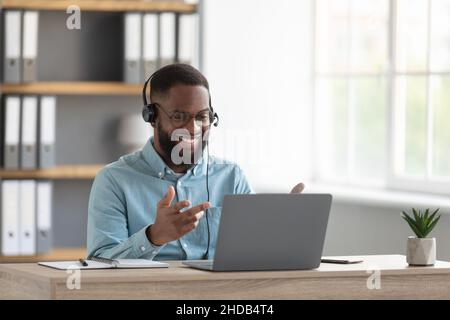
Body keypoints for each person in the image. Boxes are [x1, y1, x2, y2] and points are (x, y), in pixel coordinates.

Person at [87, 64, 304, 260]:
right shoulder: (114, 180)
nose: (193, 129)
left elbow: (252, 251)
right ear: (152, 117)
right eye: (179, 116)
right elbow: (100, 264)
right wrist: (153, 237)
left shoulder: (231, 176)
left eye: (202, 116)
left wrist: (278, 233)